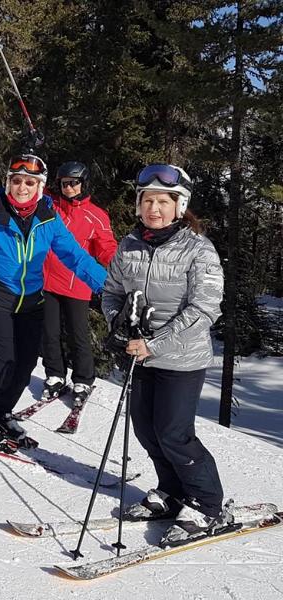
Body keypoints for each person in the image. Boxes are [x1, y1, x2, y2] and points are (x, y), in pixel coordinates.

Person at [0, 154, 106, 448]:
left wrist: (107, 286)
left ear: (39, 186)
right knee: (0, 360)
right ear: (7, 183)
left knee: (25, 364)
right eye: (16, 181)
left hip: (32, 300)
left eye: (29, 182)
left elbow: (75, 257)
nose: (22, 187)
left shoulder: (48, 218)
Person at [102, 163, 226, 546]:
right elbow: (111, 292)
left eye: (163, 202)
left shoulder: (198, 249)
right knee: (146, 429)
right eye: (147, 201)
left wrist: (154, 342)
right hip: (141, 356)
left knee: (174, 433)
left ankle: (208, 504)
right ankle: (172, 491)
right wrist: (120, 322)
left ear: (179, 205)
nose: (154, 209)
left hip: (182, 359)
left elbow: (205, 308)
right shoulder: (129, 245)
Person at [41, 161, 117, 404]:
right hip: (46, 281)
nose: (69, 188)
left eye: (74, 183)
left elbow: (106, 248)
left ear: (84, 184)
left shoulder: (96, 215)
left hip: (76, 284)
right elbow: (32, 186)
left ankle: (83, 379)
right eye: (64, 184)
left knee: (78, 334)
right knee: (50, 332)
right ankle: (55, 375)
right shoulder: (50, 204)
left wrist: (120, 267)